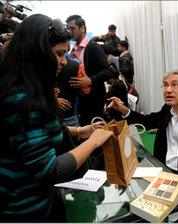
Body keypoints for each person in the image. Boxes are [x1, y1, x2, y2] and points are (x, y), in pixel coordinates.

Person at [0, 14, 112, 222]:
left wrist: (80, 131)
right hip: (25, 211)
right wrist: (94, 141)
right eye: (59, 54)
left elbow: (35, 136)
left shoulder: (27, 89)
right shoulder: (21, 99)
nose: (64, 61)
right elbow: (50, 170)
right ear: (38, 53)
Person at [107, 69, 178, 223]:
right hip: (165, 175)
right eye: (165, 85)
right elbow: (148, 121)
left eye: (175, 85)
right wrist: (123, 109)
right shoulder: (167, 109)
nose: (168, 90)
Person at [66, 15, 113, 125]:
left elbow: (109, 71)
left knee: (94, 131)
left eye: (72, 28)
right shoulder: (75, 49)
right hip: (81, 100)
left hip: (94, 100)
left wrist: (90, 80)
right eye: (68, 29)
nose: (69, 32)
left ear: (82, 28)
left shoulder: (93, 47)